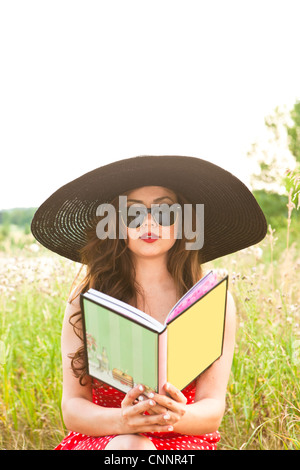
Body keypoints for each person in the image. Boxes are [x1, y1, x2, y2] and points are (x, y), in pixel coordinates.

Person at [31, 155, 267, 450]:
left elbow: (212, 411)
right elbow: (73, 410)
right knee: (132, 446)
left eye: (165, 212)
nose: (150, 222)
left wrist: (173, 415)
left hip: (183, 439)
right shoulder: (85, 300)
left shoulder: (212, 302)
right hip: (106, 438)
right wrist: (126, 422)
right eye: (133, 214)